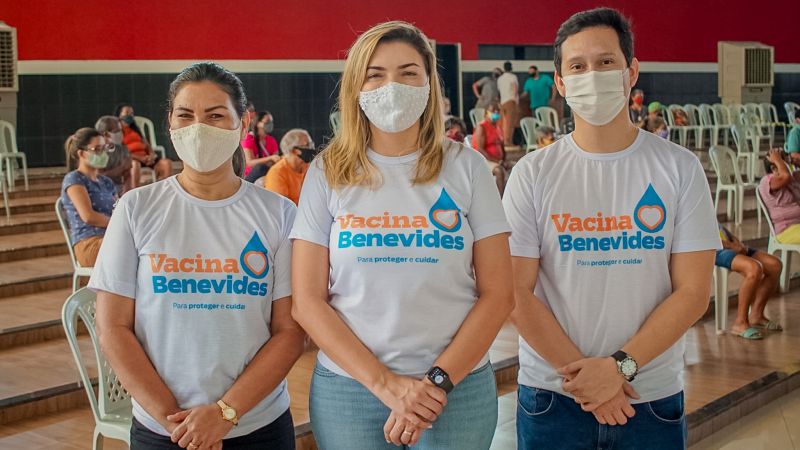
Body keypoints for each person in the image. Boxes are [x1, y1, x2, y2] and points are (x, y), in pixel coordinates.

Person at [503, 8, 720, 449]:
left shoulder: (678, 168)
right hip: (553, 396)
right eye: (577, 66)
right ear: (561, 84)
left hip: (650, 396)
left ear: (631, 71)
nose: (592, 75)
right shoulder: (533, 173)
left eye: (605, 62)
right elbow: (513, 292)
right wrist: (589, 380)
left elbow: (694, 292)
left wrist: (619, 368)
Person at [290, 21, 513, 450]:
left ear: (429, 84)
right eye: (376, 74)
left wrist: (435, 384)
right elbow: (308, 301)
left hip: (457, 389)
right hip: (350, 390)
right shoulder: (327, 171)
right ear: (356, 86)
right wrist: (386, 385)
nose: (392, 85)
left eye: (408, 72)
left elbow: (499, 293)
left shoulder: (465, 167)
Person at [91, 62, 305, 450]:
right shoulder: (137, 208)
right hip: (163, 427)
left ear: (242, 124)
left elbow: (289, 332)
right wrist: (177, 423)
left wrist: (225, 413)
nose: (198, 128)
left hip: (257, 425)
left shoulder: (278, 214)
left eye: (215, 115)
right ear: (170, 125)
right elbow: (113, 328)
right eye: (186, 116)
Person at [61, 128, 118, 267]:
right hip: (89, 243)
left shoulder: (106, 182)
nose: (103, 153)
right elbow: (88, 216)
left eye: (105, 148)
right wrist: (120, 225)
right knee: (133, 249)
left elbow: (119, 210)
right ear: (81, 153)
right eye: (97, 149)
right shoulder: (74, 179)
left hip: (111, 238)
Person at [716, 223, 783, 338]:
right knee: (754, 269)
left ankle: (756, 315)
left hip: (728, 245)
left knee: (774, 265)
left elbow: (718, 226)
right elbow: (700, 238)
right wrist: (730, 246)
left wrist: (735, 241)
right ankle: (740, 323)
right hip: (713, 250)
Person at [116, 104, 173, 185]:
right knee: (135, 164)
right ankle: (135, 192)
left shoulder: (135, 129)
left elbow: (146, 144)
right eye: (127, 112)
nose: (130, 115)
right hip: (132, 159)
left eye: (132, 113)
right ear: (119, 115)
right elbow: (121, 151)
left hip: (146, 158)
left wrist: (152, 155)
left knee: (166, 163)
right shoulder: (117, 131)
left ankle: (164, 189)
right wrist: (140, 158)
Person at [263, 129, 316, 205]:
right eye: (307, 145)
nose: (312, 148)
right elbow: (281, 208)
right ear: (294, 150)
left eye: (311, 144)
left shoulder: (309, 167)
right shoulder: (277, 173)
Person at [760, 149, 800, 244]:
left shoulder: (793, 177)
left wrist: (796, 162)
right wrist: (778, 159)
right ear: (774, 168)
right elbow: (785, 176)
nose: (790, 166)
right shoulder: (767, 181)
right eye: (786, 164)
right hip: (786, 230)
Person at [95, 115, 135, 194]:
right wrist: (122, 167)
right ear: (106, 134)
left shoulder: (122, 149)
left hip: (118, 189)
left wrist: (126, 195)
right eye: (117, 131)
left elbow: (127, 176)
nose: (121, 133)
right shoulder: (96, 151)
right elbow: (98, 177)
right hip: (100, 189)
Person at [473, 103, 507, 193]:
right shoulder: (481, 126)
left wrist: (504, 161)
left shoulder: (499, 128)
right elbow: (480, 149)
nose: (496, 112)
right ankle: (501, 201)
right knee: (499, 170)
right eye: (493, 110)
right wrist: (498, 162)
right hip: (484, 161)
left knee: (516, 166)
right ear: (486, 113)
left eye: (498, 110)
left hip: (498, 161)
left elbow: (502, 147)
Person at [242, 111, 282, 182]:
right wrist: (270, 158)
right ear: (258, 123)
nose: (270, 124)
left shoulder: (271, 140)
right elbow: (249, 162)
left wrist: (269, 159)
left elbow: (275, 160)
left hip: (268, 173)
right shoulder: (248, 138)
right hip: (250, 177)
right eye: (267, 121)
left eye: (271, 121)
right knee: (260, 168)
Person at [497, 61, 519, 146]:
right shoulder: (513, 77)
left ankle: (503, 141)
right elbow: (515, 89)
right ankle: (508, 142)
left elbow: (499, 92)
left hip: (502, 102)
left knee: (503, 122)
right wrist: (515, 101)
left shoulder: (500, 78)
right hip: (511, 101)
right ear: (511, 68)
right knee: (510, 123)